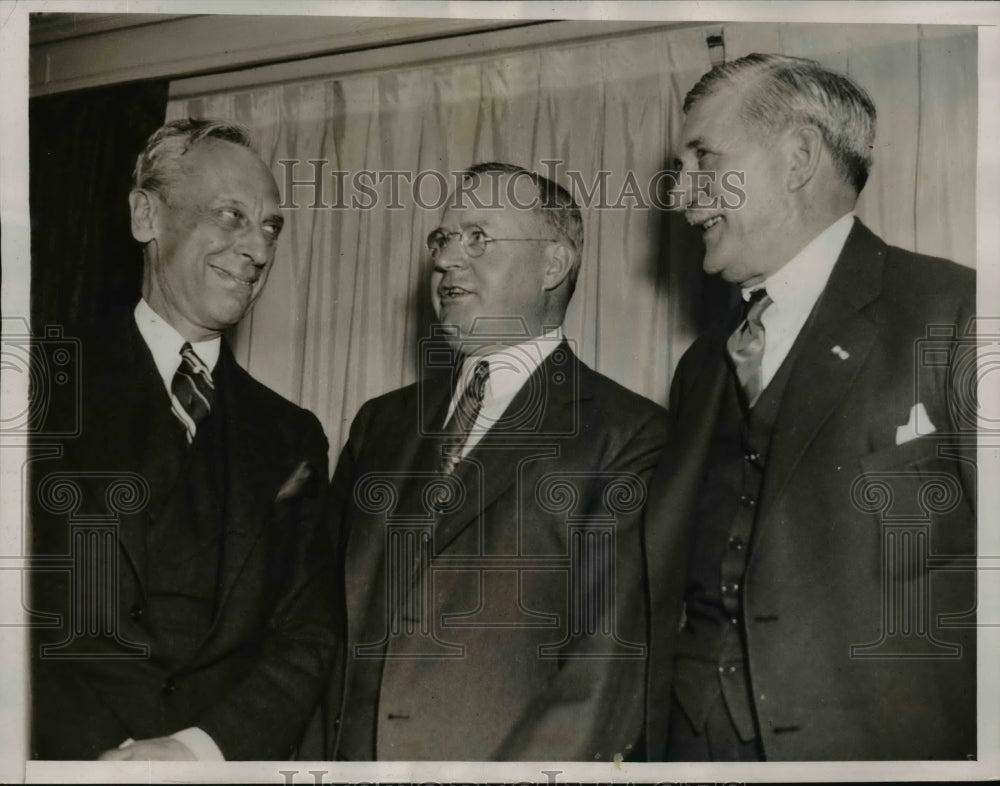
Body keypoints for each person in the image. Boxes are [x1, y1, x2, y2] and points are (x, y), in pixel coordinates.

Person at [643, 53, 976, 761]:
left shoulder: (957, 313)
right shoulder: (701, 368)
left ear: (796, 159)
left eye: (705, 159)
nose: (683, 196)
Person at [330, 163, 668, 760]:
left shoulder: (628, 435)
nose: (446, 260)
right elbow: (321, 625)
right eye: (442, 238)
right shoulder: (379, 425)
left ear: (553, 265)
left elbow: (602, 673)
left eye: (478, 237)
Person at [29, 119, 339, 761]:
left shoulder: (292, 435)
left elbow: (310, 631)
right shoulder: (37, 384)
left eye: (271, 227)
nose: (257, 249)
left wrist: (199, 751)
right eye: (232, 216)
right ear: (147, 216)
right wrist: (98, 752)